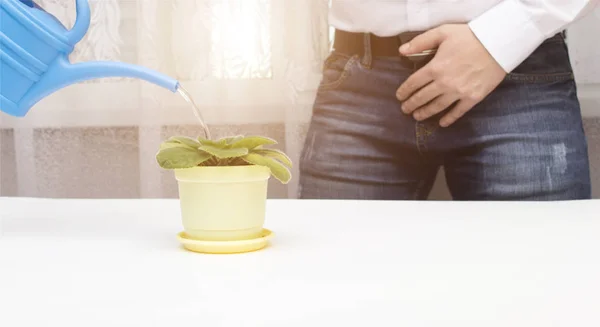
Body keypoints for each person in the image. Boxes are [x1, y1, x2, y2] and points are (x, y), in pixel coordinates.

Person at [298, 0, 599, 201]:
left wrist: (503, 36)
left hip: (518, 74)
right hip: (360, 85)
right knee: (335, 279)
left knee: (537, 279)